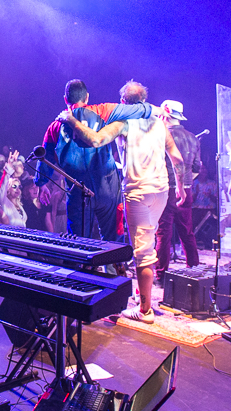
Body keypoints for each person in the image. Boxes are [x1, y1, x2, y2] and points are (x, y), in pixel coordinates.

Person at [59, 81, 185, 324]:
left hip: (138, 191)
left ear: (124, 102)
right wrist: (181, 186)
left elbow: (95, 140)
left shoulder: (124, 122)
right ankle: (139, 299)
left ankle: (145, 310)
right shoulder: (160, 123)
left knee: (142, 251)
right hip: (161, 190)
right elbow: (177, 158)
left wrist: (71, 121)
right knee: (146, 243)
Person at [37, 79, 160, 242]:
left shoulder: (55, 126)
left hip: (77, 190)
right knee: (113, 239)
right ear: (87, 97)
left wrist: (41, 184)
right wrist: (154, 109)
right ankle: (116, 268)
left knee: (78, 241)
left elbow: (45, 156)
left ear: (66, 99)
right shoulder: (103, 111)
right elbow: (139, 110)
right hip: (107, 187)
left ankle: (82, 267)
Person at [156, 100, 201, 276]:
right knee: (187, 232)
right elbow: (197, 167)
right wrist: (186, 182)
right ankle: (196, 270)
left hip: (166, 189)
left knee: (163, 233)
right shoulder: (192, 138)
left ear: (165, 114)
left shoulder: (161, 135)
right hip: (186, 190)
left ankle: (161, 274)